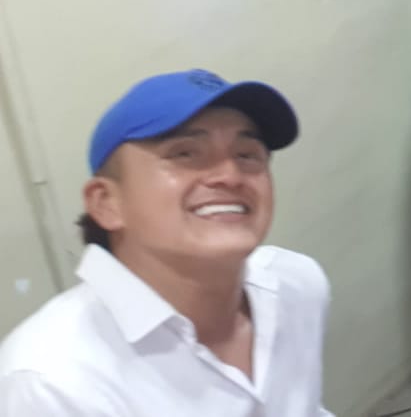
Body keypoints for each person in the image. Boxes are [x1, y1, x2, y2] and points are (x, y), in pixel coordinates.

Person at [0, 69, 332, 416]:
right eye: (185, 153)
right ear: (106, 202)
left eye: (247, 154)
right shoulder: (54, 380)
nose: (231, 175)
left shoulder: (296, 285)